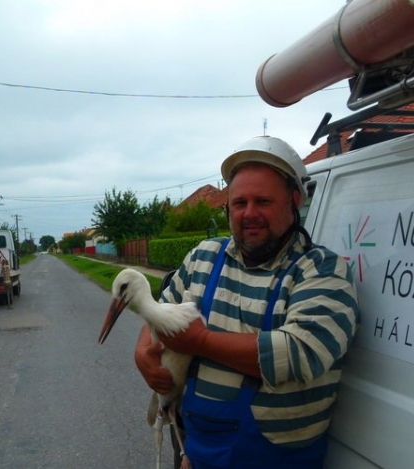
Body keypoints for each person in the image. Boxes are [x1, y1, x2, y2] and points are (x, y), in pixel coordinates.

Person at [134, 136, 359, 469]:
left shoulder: (321, 270)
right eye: (239, 203)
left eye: (263, 201)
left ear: (294, 201)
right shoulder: (203, 257)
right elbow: (161, 313)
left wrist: (200, 341)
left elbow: (300, 355)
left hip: (276, 460)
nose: (249, 213)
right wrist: (143, 355)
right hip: (196, 450)